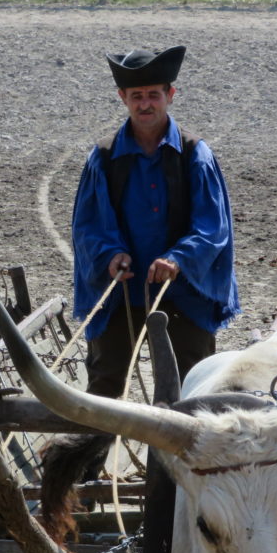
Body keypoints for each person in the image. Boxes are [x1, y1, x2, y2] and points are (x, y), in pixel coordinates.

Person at [71, 44, 239, 398]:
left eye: (153, 95)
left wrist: (177, 259)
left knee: (193, 390)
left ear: (170, 95)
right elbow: (88, 227)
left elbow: (212, 228)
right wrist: (111, 255)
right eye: (136, 96)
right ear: (122, 97)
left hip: (184, 293)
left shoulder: (196, 155)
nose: (145, 104)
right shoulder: (102, 158)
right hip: (119, 293)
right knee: (104, 390)